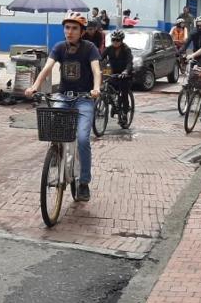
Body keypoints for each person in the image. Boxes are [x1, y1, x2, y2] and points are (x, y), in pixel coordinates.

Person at [25, 12, 101, 202]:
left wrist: (96, 88)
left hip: (84, 99)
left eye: (74, 28)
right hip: (63, 98)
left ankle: (83, 182)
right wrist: (35, 86)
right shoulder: (59, 47)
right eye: (67, 27)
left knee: (83, 139)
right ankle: (56, 156)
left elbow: (96, 70)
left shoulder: (89, 48)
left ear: (82, 32)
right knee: (55, 131)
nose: (70, 31)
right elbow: (47, 68)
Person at [101, 29, 133, 114]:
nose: (115, 42)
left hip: (125, 74)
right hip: (113, 73)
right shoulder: (109, 49)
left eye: (117, 40)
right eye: (113, 40)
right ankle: (114, 102)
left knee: (124, 92)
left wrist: (126, 71)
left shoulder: (126, 49)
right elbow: (100, 58)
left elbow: (129, 62)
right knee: (106, 86)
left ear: (121, 40)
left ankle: (125, 113)